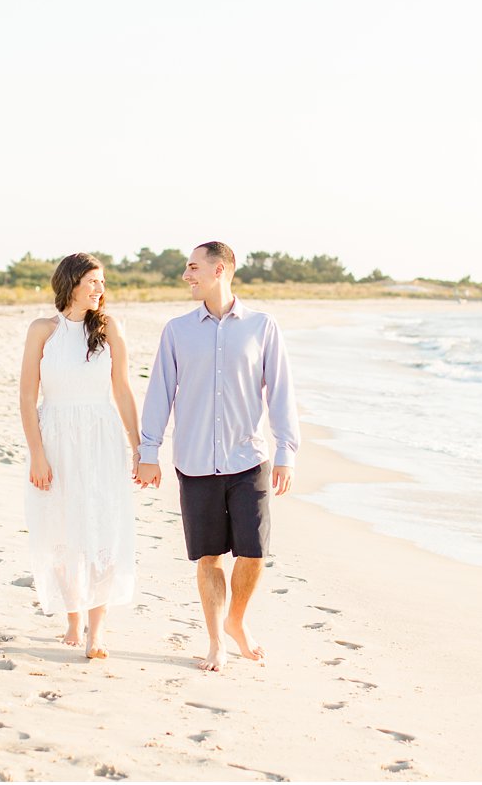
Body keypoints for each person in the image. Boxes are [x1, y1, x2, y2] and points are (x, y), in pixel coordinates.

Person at [136, 241, 299, 672]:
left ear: (220, 269)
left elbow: (281, 392)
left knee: (254, 553)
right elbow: (159, 395)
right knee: (208, 557)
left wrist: (287, 451)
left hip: (249, 458)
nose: (187, 276)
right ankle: (215, 642)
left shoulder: (263, 327)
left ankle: (236, 621)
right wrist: (147, 450)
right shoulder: (177, 330)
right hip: (194, 461)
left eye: (193, 267)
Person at [18, 252, 141, 659]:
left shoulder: (109, 328)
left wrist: (139, 447)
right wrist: (37, 454)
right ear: (71, 282)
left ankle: (97, 631)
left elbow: (122, 391)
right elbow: (27, 396)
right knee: (62, 528)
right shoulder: (42, 330)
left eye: (103, 282)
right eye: (93, 281)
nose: (100, 288)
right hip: (55, 437)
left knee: (101, 528)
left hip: (101, 441)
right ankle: (73, 616)